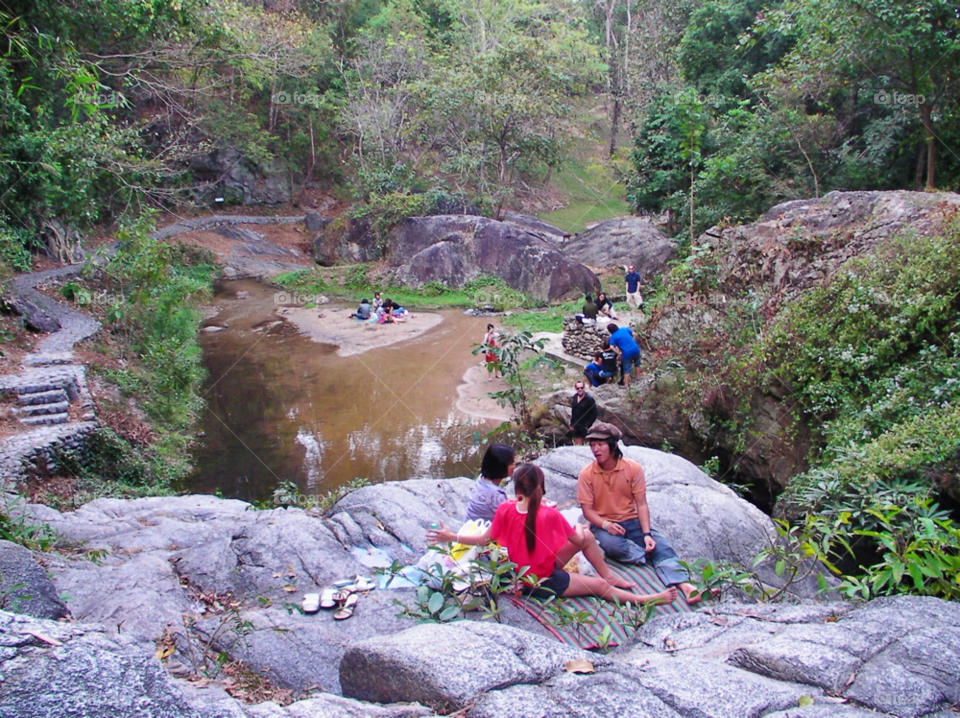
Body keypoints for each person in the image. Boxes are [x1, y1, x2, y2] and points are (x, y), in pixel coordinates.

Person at [428, 464, 678, 605]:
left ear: (517, 490)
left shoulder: (505, 508)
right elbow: (577, 538)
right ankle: (643, 599)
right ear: (541, 488)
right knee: (596, 580)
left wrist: (450, 536)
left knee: (588, 539)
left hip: (522, 570)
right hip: (539, 580)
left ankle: (611, 575)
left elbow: (484, 539)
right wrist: (583, 527)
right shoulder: (549, 515)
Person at [577, 422, 704, 604]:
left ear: (613, 445)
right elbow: (587, 511)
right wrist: (606, 525)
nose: (595, 449)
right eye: (592, 445)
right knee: (614, 545)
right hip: (603, 525)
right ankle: (655, 559)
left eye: (600, 444)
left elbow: (641, 504)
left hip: (631, 521)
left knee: (661, 544)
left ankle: (686, 587)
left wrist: (646, 534)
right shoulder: (587, 474)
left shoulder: (633, 468)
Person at [465, 443, 515, 522]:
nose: (514, 465)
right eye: (511, 463)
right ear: (500, 467)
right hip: (480, 531)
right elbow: (510, 519)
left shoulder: (482, 478)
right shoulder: (496, 495)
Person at [607, 323, 641, 387]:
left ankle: (626, 384)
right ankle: (638, 377)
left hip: (626, 353)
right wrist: (634, 341)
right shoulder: (624, 329)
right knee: (637, 363)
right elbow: (634, 334)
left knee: (627, 368)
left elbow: (611, 347)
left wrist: (618, 353)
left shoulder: (613, 336)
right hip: (636, 348)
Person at [570, 381, 597, 445]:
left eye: (581, 388)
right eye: (578, 388)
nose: (580, 389)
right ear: (575, 388)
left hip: (585, 426)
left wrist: (588, 425)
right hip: (576, 425)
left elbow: (594, 413)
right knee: (577, 446)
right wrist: (572, 423)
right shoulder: (575, 397)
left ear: (584, 388)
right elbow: (573, 411)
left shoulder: (589, 399)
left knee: (586, 445)